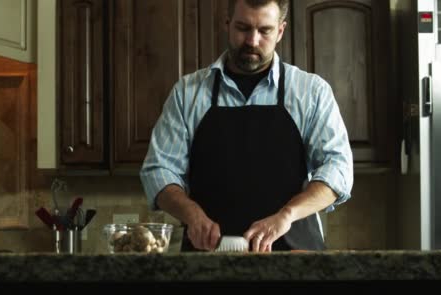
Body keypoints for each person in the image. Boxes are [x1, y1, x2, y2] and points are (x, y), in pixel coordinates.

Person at [139, 0, 353, 252]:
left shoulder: (312, 92)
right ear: (227, 25)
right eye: (243, 28)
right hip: (207, 260)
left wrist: (287, 215)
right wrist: (191, 213)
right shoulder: (187, 93)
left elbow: (338, 169)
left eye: (265, 31)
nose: (252, 41)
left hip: (295, 261)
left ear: (280, 31)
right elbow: (158, 169)